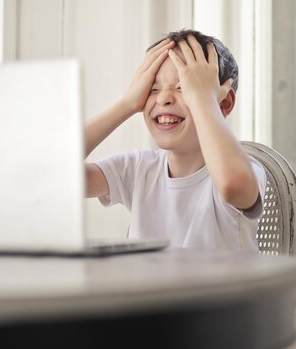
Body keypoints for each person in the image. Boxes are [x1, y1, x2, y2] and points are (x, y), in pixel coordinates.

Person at [83, 29, 266, 251]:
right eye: (152, 88)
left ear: (224, 103)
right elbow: (52, 174)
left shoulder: (245, 171)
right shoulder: (139, 168)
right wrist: (127, 103)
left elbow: (232, 185)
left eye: (183, 88)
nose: (163, 98)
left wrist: (202, 100)